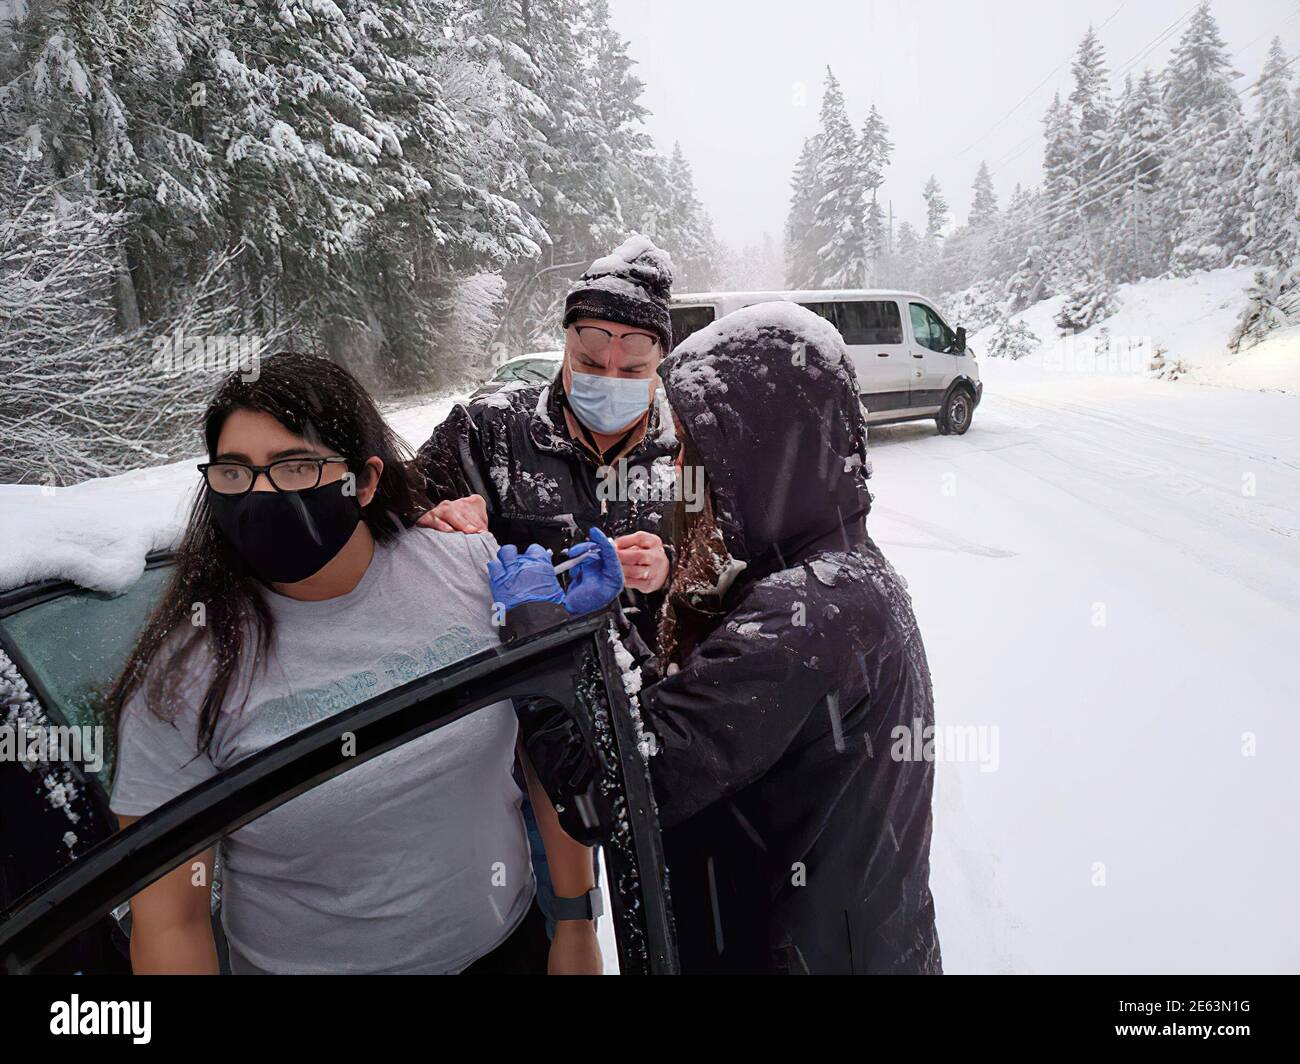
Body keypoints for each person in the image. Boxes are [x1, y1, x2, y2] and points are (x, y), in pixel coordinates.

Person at [105, 352, 602, 975]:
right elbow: (171, 920)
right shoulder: (185, 675)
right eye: (235, 473)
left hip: (508, 949)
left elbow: (541, 747)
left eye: (296, 467)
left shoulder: (466, 568)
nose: (263, 495)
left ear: (364, 482)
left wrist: (576, 920)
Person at [490, 303, 943, 974]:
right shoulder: (837, 576)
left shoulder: (808, 614)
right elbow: (686, 728)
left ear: (765, 455)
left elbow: (612, 796)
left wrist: (540, 643)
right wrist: (603, 627)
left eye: (707, 457)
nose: (689, 486)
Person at [416, 234, 682, 929]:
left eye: (634, 368)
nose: (608, 380)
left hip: (635, 738)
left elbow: (729, 587)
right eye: (591, 361)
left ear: (661, 365)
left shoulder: (686, 453)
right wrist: (436, 515)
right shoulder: (489, 432)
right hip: (510, 744)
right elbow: (387, 523)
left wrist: (670, 573)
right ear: (563, 343)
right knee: (549, 917)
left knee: (651, 913)